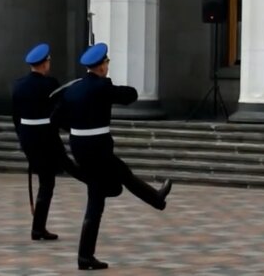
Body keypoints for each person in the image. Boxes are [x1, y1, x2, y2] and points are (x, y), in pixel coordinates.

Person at [54, 43, 173, 270]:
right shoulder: (101, 86)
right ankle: (85, 256)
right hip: (97, 148)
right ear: (100, 67)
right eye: (107, 63)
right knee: (106, 190)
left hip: (79, 145)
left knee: (116, 180)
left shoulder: (74, 89)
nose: (108, 66)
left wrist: (77, 129)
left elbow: (56, 118)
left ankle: (155, 199)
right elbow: (130, 96)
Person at [12, 42, 85, 241]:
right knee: (59, 172)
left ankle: (39, 228)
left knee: (50, 178)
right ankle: (38, 229)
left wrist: (22, 138)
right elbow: (60, 109)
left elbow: (15, 116)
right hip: (46, 134)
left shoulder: (19, 84)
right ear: (44, 64)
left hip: (28, 135)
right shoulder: (50, 84)